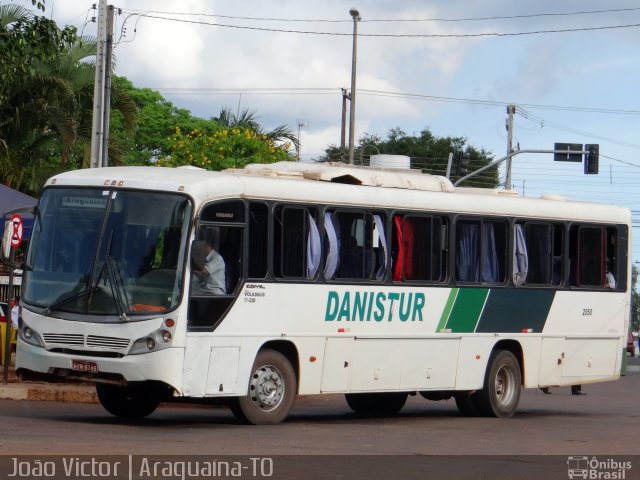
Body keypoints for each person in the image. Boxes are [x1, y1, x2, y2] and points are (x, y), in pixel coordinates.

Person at [193, 230, 226, 295]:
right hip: (205, 291)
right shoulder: (204, 259)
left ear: (207, 245)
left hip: (215, 293)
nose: (199, 248)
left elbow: (205, 271)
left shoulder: (217, 258)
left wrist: (189, 267)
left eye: (201, 245)